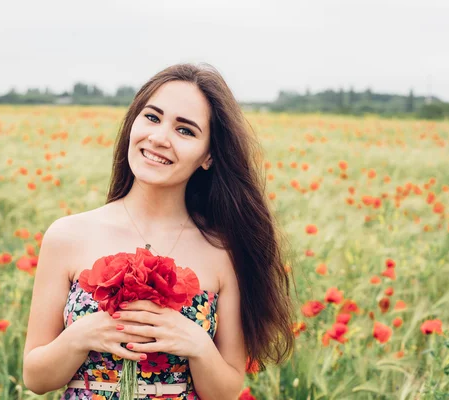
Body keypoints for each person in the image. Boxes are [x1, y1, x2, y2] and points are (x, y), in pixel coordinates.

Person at [22, 62, 296, 399]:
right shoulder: (67, 236)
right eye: (152, 117)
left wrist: (197, 345)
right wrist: (80, 336)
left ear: (208, 156)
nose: (159, 138)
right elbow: (35, 377)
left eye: (185, 130)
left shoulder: (223, 251)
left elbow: (225, 391)